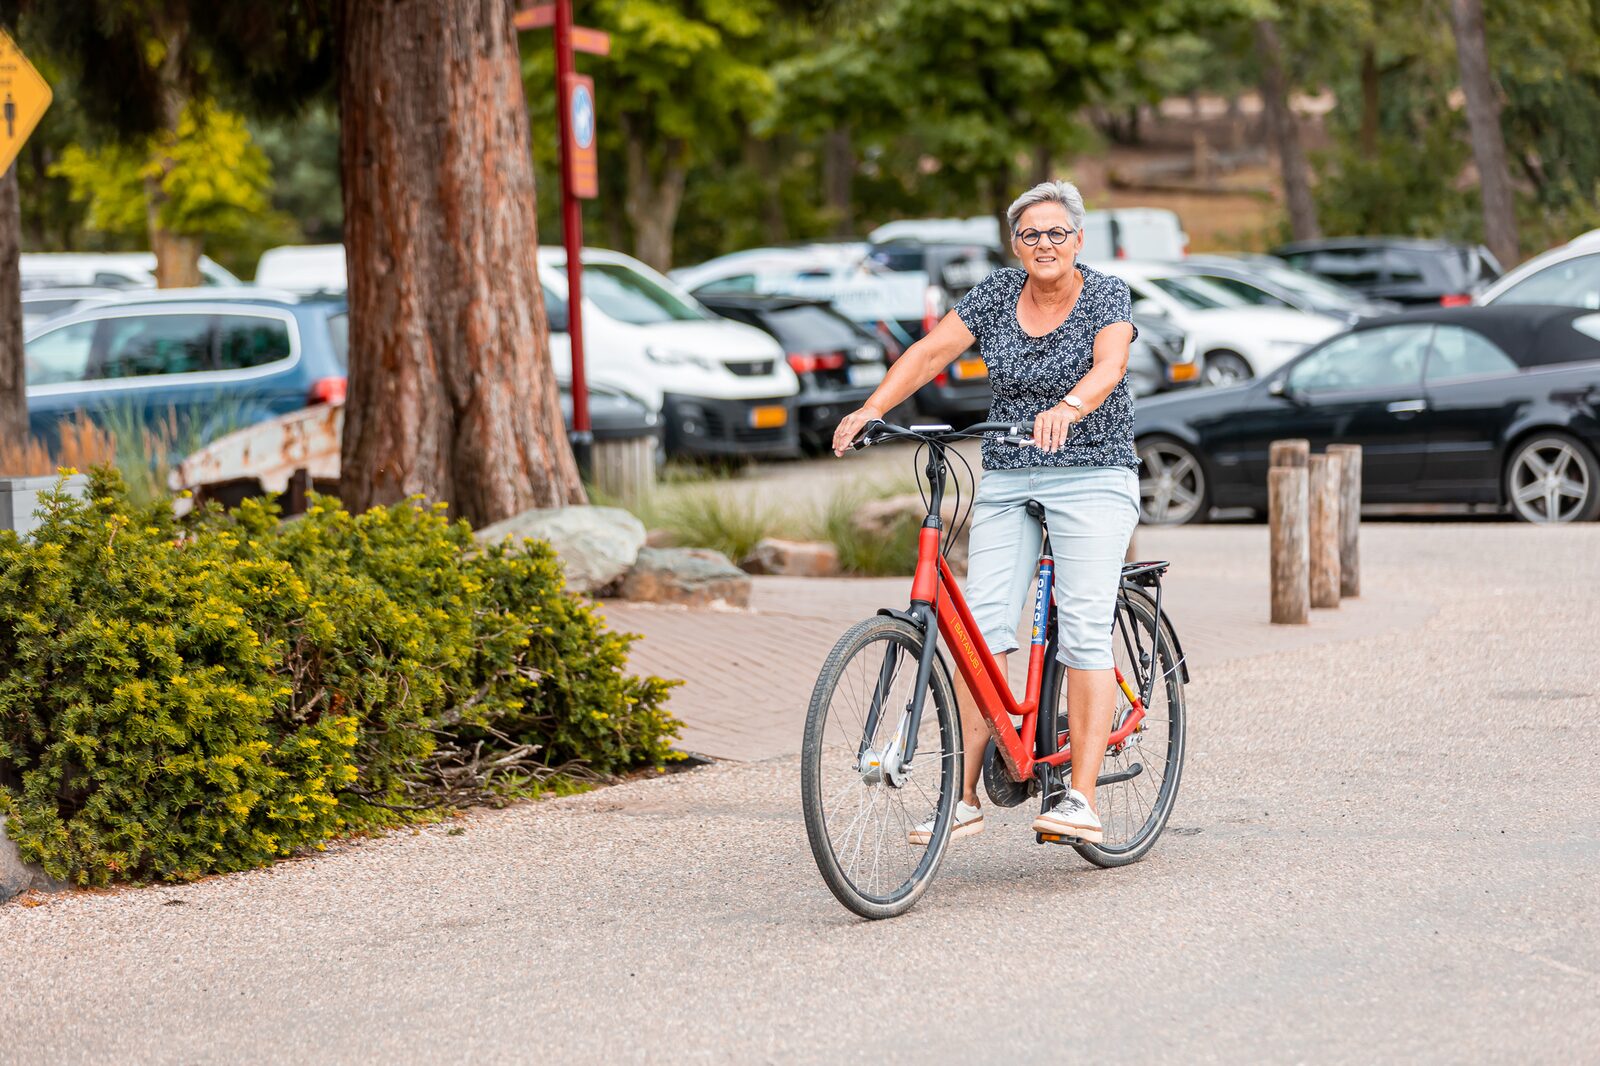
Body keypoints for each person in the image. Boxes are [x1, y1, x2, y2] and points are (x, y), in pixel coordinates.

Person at [831, 180, 1141, 845]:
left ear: (1078, 240)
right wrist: (872, 408)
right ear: (1015, 244)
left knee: (1084, 627)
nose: (1044, 245)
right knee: (985, 631)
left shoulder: (1106, 293)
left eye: (1057, 232)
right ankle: (963, 796)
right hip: (1008, 474)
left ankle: (1081, 798)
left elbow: (1110, 365)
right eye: (1030, 234)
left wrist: (1068, 408)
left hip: (1093, 471)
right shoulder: (997, 294)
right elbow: (929, 353)